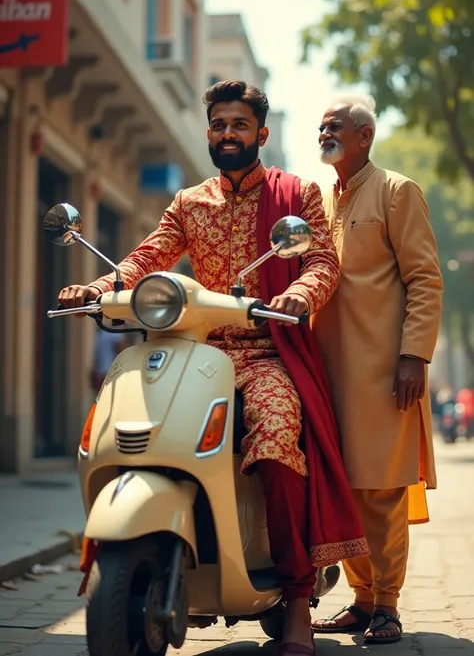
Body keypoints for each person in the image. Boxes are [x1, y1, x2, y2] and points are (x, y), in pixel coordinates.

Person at [59, 80, 369, 654]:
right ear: (209, 133)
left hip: (262, 353)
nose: (229, 134)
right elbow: (147, 256)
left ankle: (297, 599)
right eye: (220, 125)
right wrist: (100, 286)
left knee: (276, 435)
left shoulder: (296, 194)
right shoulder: (189, 202)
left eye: (240, 125)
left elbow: (322, 258)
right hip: (196, 351)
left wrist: (302, 291)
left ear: (261, 134)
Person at [311, 93, 443, 645]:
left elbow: (425, 278)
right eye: (320, 127)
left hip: (385, 372)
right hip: (325, 371)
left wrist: (414, 355)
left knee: (382, 490)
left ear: (364, 136)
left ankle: (387, 605)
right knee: (344, 489)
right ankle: (362, 602)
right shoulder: (319, 200)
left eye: (335, 126)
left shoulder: (396, 191)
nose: (324, 133)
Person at [90, 326, 126, 393]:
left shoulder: (100, 334)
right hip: (111, 372)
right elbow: (121, 350)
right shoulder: (116, 334)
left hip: (101, 371)